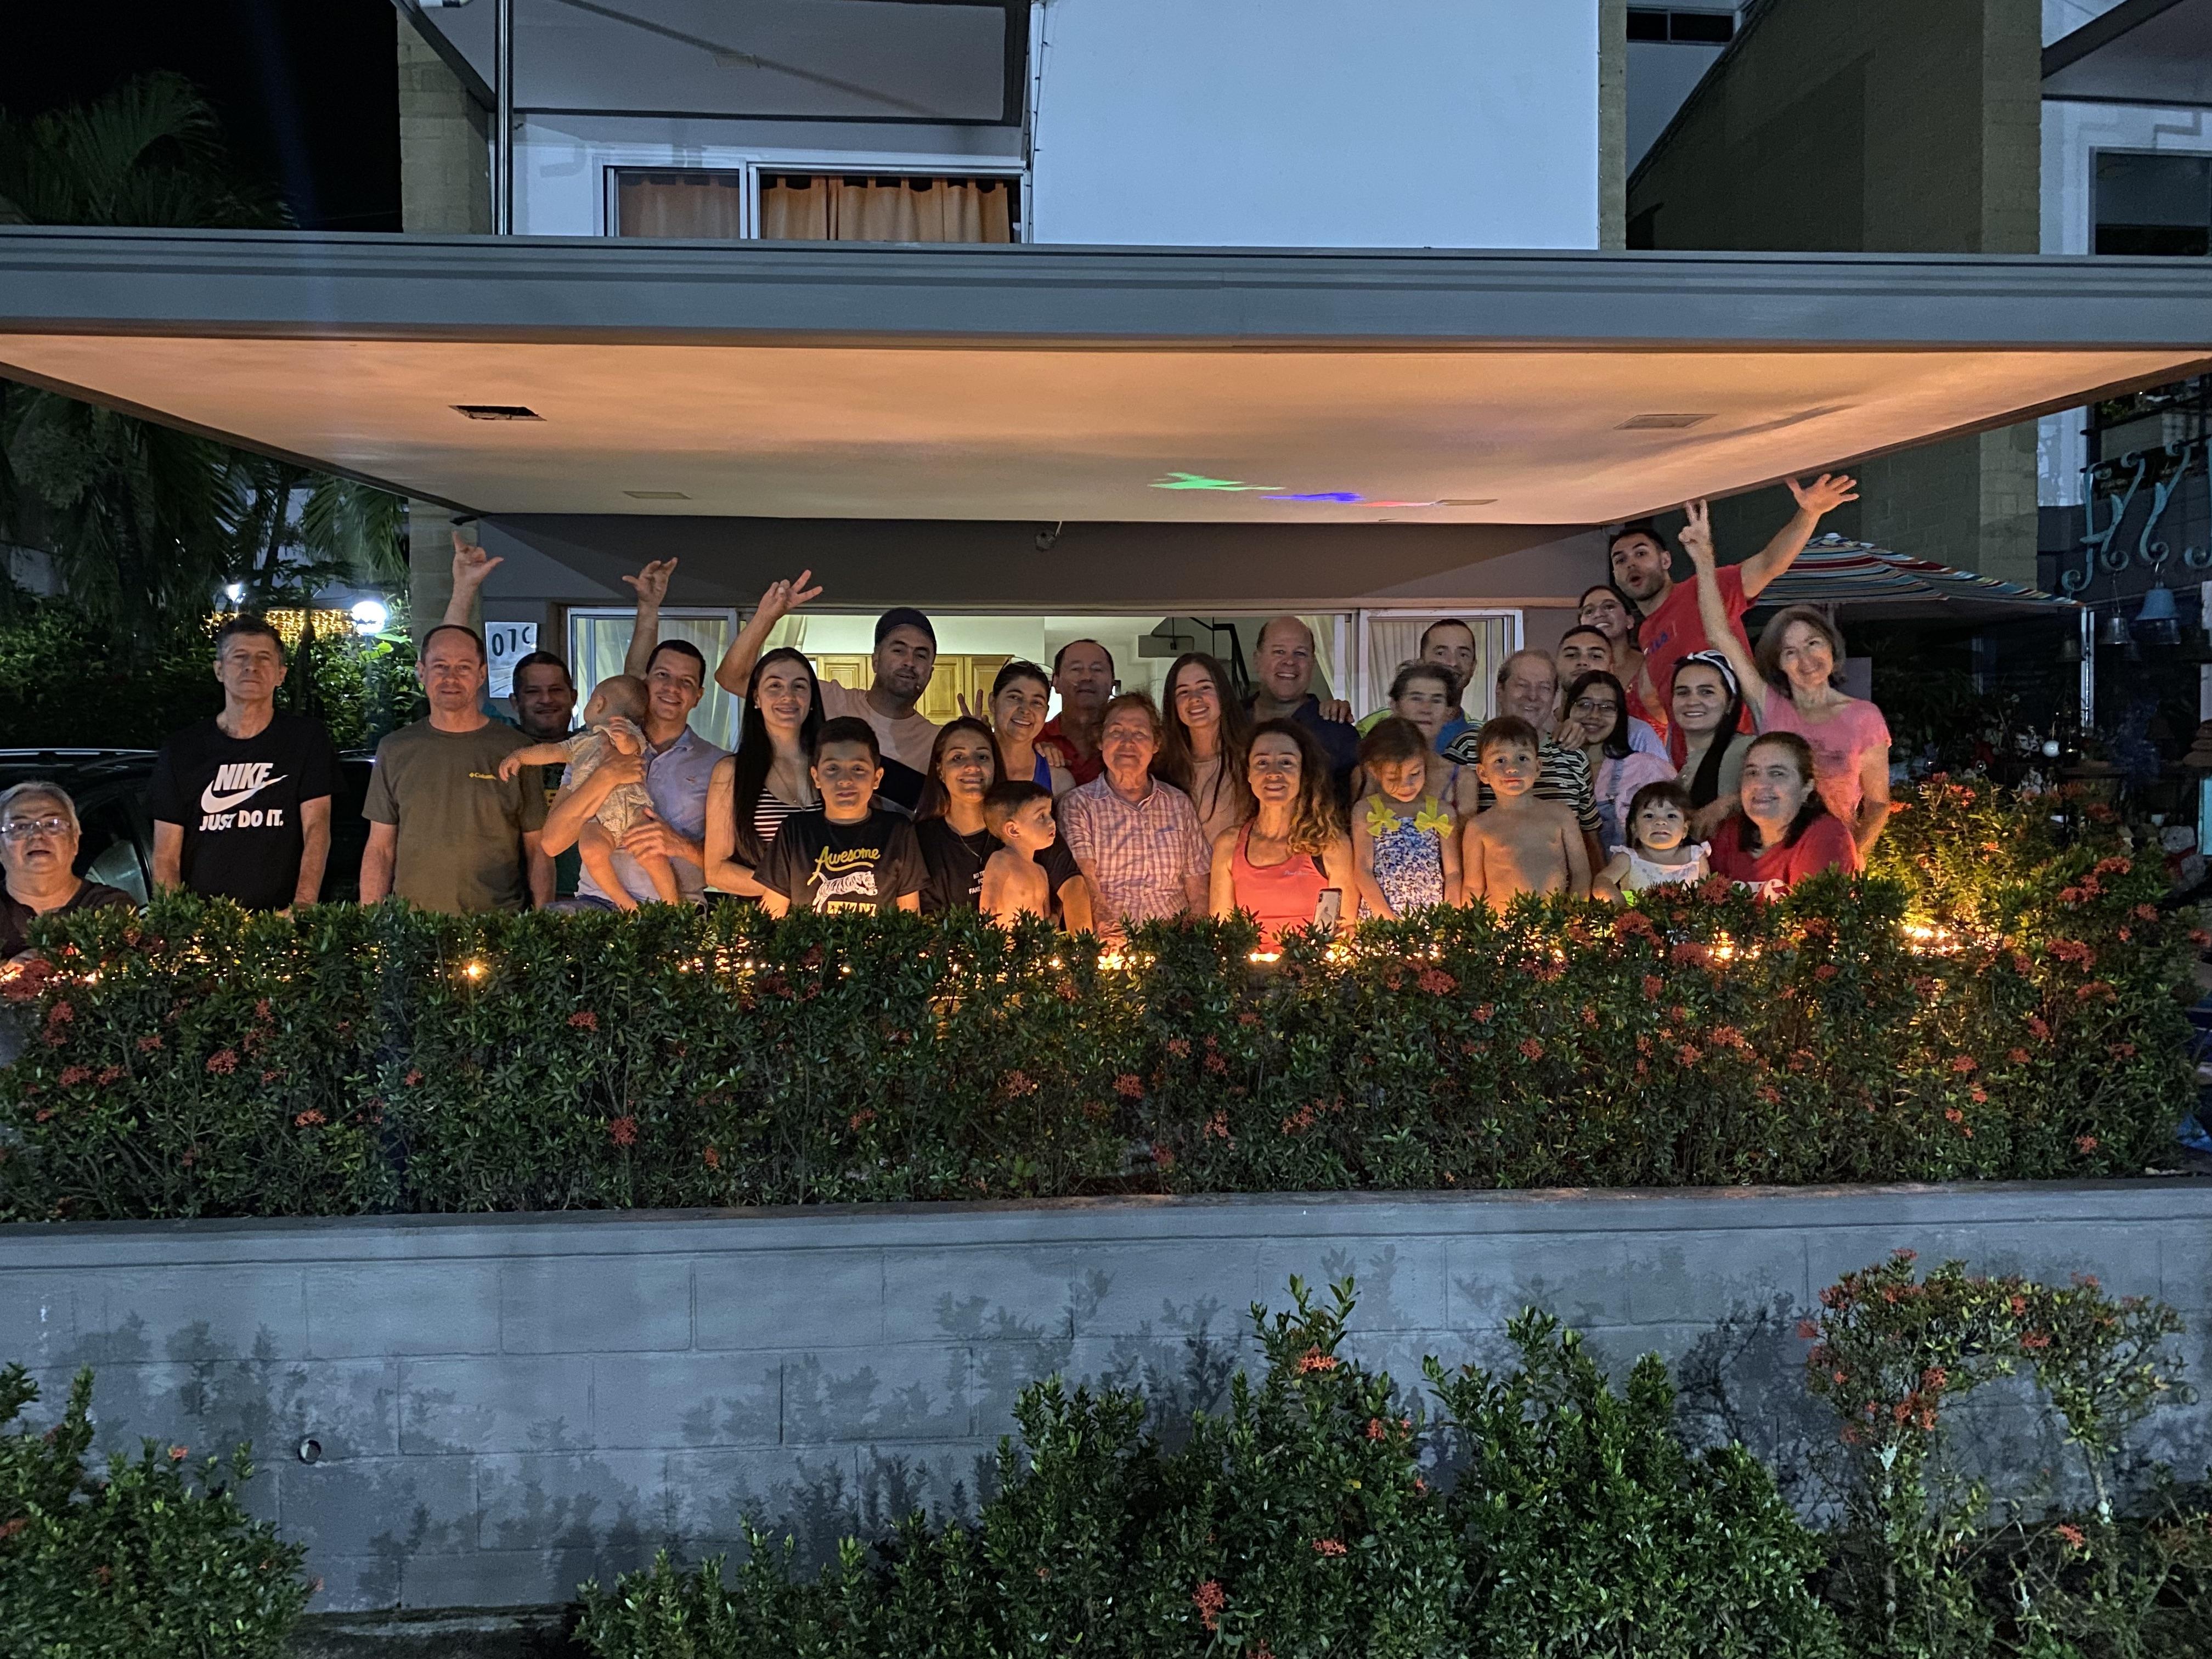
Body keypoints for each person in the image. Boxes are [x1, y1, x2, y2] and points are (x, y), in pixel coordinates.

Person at [1680, 503, 1894, 861]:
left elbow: (1877, 804)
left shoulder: (1864, 718)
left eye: (1813, 644)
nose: (1806, 660)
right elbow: (1719, 634)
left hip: (1829, 856)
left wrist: (1851, 858)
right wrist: (1704, 558)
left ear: (1831, 647)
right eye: (1790, 651)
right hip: (1768, 856)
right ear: (1778, 662)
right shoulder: (1770, 705)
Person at [1606, 473, 1858, 719]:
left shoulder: (1704, 587)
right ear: (1616, 576)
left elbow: (1769, 563)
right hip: (1688, 747)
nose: (1631, 564)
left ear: (1665, 560)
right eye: (1620, 560)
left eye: (1641, 554)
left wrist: (1809, 513)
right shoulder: (1645, 633)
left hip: (1740, 739)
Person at [148, 615, 337, 911]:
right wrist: (176, 920)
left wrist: (303, 906)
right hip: (203, 922)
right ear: (219, 670)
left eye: (264, 658)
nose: (252, 666)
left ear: (281, 674)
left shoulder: (306, 740)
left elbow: (317, 829)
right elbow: (165, 854)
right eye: (240, 657)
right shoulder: (182, 749)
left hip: (281, 921)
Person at [360, 624, 551, 913]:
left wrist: (544, 919)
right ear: (421, 672)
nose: (451, 678)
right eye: (440, 666)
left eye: (464, 667)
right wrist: (371, 921)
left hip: (499, 924)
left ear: (481, 675)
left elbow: (538, 849)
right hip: (412, 926)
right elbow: (380, 849)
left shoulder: (519, 751)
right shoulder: (395, 749)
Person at [711, 572, 940, 810]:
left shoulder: (939, 743)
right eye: (899, 650)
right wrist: (766, 618)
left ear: (931, 672)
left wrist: (969, 734)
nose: (909, 662)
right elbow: (731, 678)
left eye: (921, 655)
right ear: (875, 661)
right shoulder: (827, 698)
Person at [539, 640, 726, 910]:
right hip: (598, 904)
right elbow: (552, 843)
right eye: (663, 675)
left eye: (686, 682)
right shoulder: (593, 747)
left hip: (678, 909)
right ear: (645, 682)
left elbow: (733, 864)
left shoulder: (718, 764)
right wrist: (606, 775)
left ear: (698, 696)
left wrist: (680, 845)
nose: (673, 687)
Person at [495, 674, 678, 910]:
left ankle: (673, 906)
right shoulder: (580, 742)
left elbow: (633, 749)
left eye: (590, 700)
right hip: (597, 817)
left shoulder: (628, 731)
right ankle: (626, 903)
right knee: (591, 850)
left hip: (633, 810)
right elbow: (551, 751)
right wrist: (521, 757)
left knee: (652, 855)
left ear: (599, 703)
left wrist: (624, 741)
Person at [912, 716, 1092, 928]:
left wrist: (1080, 945)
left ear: (995, 765)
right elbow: (928, 924)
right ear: (940, 770)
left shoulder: (1028, 818)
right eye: (958, 758)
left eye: (982, 757)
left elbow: (1073, 886)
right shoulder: (922, 840)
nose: (972, 766)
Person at [1059, 692, 1211, 936]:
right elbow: (1084, 882)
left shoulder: (1178, 804)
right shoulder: (1079, 805)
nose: (1127, 743)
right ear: (1100, 741)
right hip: (1108, 941)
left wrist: (1193, 941)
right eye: (1116, 732)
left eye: (1139, 734)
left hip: (1172, 941)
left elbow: (1198, 887)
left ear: (1156, 744)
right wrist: (1110, 934)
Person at [1443, 650, 1604, 873]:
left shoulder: (1573, 756)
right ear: (1500, 690)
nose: (1533, 696)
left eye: (1544, 688)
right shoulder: (1468, 746)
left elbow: (1590, 836)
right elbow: (1443, 826)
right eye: (1522, 685)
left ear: (1555, 697)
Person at [757, 717, 926, 917]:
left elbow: (909, 913)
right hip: (809, 937)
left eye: (858, 769)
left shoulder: (898, 831)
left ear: (877, 778)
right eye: (832, 769)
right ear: (816, 777)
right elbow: (773, 909)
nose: (845, 780)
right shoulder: (795, 831)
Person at [1209, 720, 1354, 949]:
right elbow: (1221, 932)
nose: (1274, 773)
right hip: (1248, 970)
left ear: (1303, 773)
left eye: (1286, 762)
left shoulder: (1330, 843)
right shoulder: (1228, 844)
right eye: (1262, 763)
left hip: (1313, 969)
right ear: (1248, 774)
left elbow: (1344, 933)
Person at [703, 647, 821, 902]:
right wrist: (788, 889)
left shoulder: (830, 766)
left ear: (812, 699)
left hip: (835, 917)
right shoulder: (732, 772)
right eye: (775, 686)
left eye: (799, 686)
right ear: (756, 698)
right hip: (764, 918)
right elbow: (716, 870)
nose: (788, 696)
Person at [1460, 716, 1592, 909]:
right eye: (1500, 760)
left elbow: (1581, 873)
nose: (1512, 768)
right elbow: (1473, 887)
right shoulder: (1478, 827)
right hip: (1502, 925)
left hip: (1557, 922)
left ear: (1538, 767)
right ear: (1483, 773)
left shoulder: (1561, 816)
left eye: (1522, 758)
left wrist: (1573, 915)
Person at [1709, 731, 1859, 893]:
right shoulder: (1729, 834)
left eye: (1777, 774)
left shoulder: (1826, 837)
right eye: (1752, 773)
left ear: (1807, 787)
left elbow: (1817, 908)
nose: (1760, 784)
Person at [0, 783, 134, 960]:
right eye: (20, 827)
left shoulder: (110, 907)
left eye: (52, 824)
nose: (37, 835)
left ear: (75, 841)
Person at [1352, 716, 1461, 917]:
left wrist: (1449, 919)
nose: (1406, 785)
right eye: (1393, 777)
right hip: (1381, 917)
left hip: (1432, 918)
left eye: (1415, 774)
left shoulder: (1441, 812)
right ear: (1375, 771)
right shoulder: (1367, 811)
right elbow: (1363, 870)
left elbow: (1453, 872)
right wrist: (1387, 919)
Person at [1560, 670, 1675, 853]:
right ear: (1569, 709)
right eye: (1584, 704)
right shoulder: (1546, 765)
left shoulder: (1648, 769)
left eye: (1607, 707)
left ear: (1620, 716)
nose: (1594, 715)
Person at [1248, 617, 1359, 795]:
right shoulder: (1228, 721)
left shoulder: (1338, 733)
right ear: (1257, 660)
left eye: (1300, 653)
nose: (1289, 661)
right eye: (1279, 652)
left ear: (1313, 663)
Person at [1154, 651, 1252, 848]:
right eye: (1183, 692)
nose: (1195, 698)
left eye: (1205, 687)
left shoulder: (1249, 759)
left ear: (1222, 693)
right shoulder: (1162, 765)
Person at [1667, 652, 1753, 840]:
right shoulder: (1681, 770)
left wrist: (1731, 803)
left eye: (1706, 692)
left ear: (1730, 703)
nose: (1692, 701)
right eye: (1683, 692)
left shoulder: (1747, 750)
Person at [1358, 619, 1480, 751]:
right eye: (1441, 653)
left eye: (1463, 655)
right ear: (1422, 661)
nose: (1453, 662)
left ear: (1473, 666)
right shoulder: (1371, 727)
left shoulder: (1483, 737)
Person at [1554, 627, 1666, 756]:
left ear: (1612, 669)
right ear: (1556, 665)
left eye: (1596, 656)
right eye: (1571, 655)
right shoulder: (1541, 723)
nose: (1583, 662)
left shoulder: (1637, 734)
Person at [1593, 780, 1709, 900]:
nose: (1660, 822)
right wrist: (1620, 903)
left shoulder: (1696, 857)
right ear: (1634, 828)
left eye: (1671, 816)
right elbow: (1602, 881)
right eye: (1649, 816)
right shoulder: (1628, 859)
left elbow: (1708, 894)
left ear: (1685, 829)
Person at [986, 661, 1075, 796]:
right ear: (993, 702)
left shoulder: (1059, 781)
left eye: (1037, 702)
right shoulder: (971, 770)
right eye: (1015, 697)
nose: (1026, 710)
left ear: (1046, 712)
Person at [1036, 640, 1116, 788]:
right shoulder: (1034, 741)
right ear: (1056, 682)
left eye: (1097, 669)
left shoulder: (1129, 744)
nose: (1087, 677)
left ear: (1112, 682)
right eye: (1076, 669)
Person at [979, 782, 1058, 925]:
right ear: (1013, 830)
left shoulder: (1041, 871)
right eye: (1041, 816)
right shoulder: (1001, 861)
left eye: (1050, 814)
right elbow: (988, 911)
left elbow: (1046, 921)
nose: (1052, 822)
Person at [1578, 583, 1651, 727]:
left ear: (1630, 621)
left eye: (1609, 607)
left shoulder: (1651, 664)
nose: (1598, 614)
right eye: (1589, 611)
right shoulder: (1578, 671)